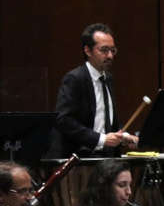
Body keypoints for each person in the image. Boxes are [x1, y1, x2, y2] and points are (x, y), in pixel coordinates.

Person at [51, 23, 138, 158]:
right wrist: (101, 139)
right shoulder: (75, 78)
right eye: (104, 50)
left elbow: (105, 119)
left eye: (113, 50)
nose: (110, 56)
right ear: (88, 50)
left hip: (106, 157)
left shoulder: (108, 78)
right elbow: (64, 120)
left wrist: (123, 136)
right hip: (79, 157)